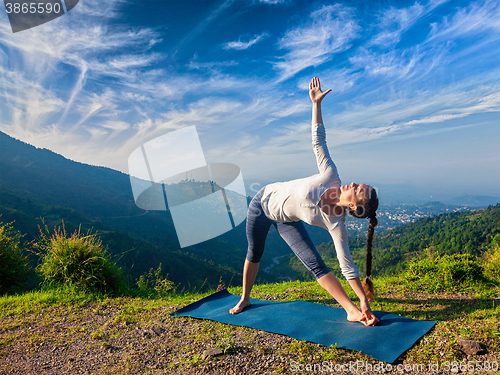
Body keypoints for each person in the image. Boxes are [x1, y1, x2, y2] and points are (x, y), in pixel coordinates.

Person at [229, 77, 379, 326]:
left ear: (354, 206)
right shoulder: (331, 175)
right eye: (357, 183)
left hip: (286, 220)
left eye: (358, 189)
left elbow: (347, 266)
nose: (353, 184)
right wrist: (316, 104)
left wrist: (364, 300)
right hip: (261, 203)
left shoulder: (336, 224)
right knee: (254, 252)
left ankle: (352, 311)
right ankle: (245, 298)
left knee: (315, 264)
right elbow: (318, 140)